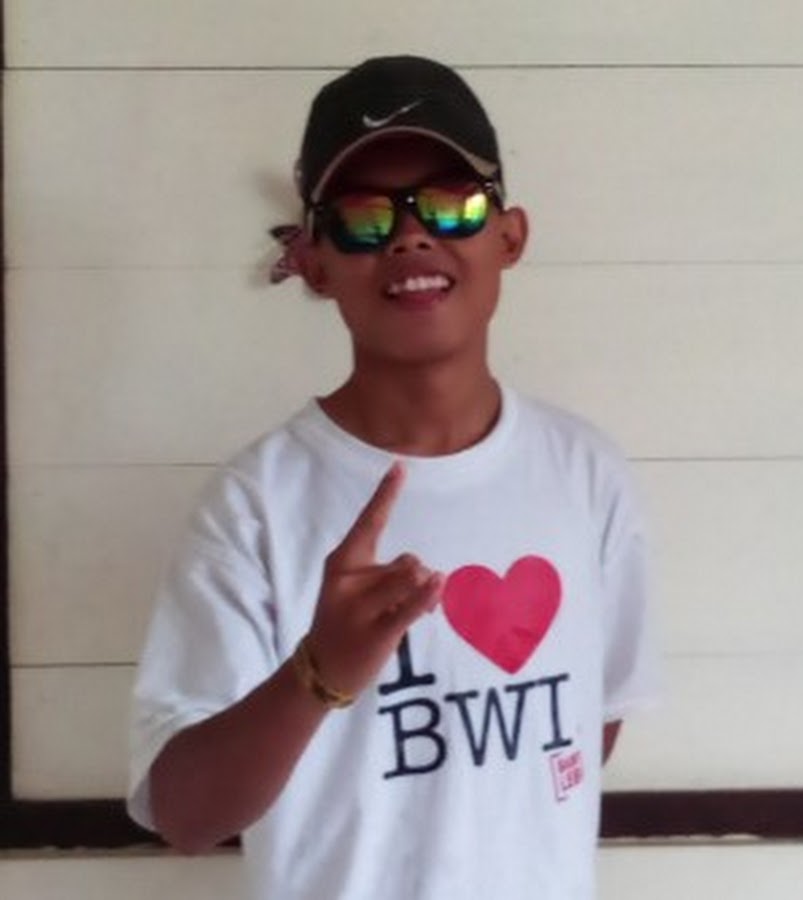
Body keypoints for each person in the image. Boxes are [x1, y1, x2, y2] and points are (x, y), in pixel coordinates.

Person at [128, 54, 659, 899]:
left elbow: (587, 727)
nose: (412, 237)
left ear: (510, 235)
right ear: (314, 262)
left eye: (451, 205)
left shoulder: (584, 472)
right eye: (364, 218)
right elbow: (186, 817)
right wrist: (317, 674)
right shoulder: (255, 506)